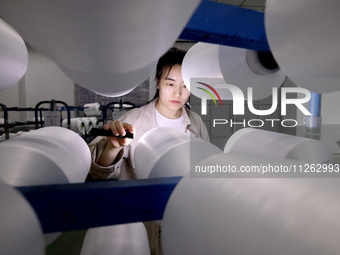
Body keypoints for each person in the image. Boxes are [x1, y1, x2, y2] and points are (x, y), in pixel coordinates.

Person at [88, 47, 210, 255]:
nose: (178, 93)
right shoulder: (133, 120)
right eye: (170, 83)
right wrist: (113, 146)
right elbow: (98, 168)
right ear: (158, 82)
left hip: (183, 218)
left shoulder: (196, 122)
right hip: (142, 219)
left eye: (185, 86)